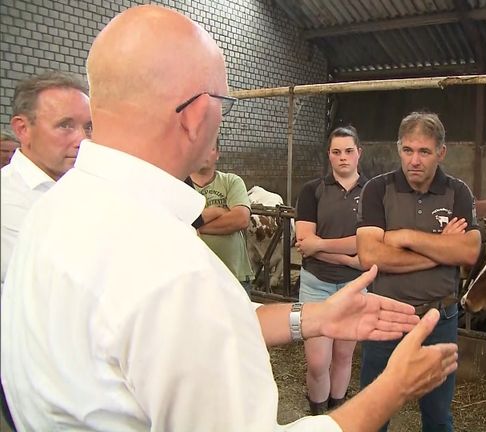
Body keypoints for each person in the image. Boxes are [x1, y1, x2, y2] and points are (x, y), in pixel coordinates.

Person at [0, 6, 458, 431]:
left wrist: (312, 317)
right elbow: (190, 313)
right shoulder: (173, 271)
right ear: (197, 115)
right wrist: (391, 389)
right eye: (224, 101)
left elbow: (193, 327)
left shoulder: (52, 209)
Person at [356, 111, 481, 431]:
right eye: (408, 150)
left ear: (441, 152)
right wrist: (440, 250)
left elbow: (468, 251)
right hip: (385, 317)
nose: (415, 160)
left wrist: (407, 238)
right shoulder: (376, 190)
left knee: (438, 414)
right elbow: (370, 254)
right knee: (374, 408)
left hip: (438, 317)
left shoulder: (458, 192)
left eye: (424, 151)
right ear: (399, 149)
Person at [295, 125, 368, 414]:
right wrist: (351, 258)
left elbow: (367, 243)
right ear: (329, 156)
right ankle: (316, 415)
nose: (343, 157)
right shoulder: (312, 190)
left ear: (359, 153)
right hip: (317, 283)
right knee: (316, 361)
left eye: (349, 151)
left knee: (343, 354)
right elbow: (304, 242)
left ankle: (337, 414)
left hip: (353, 285)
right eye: (336, 152)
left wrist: (321, 246)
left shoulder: (373, 191)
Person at [1, 71, 91, 286]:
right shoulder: (6, 200)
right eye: (65, 125)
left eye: (88, 127)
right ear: (22, 129)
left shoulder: (93, 189)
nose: (83, 140)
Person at [189, 137, 254, 290]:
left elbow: (241, 219)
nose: (204, 152)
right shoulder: (178, 184)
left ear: (218, 153)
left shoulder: (231, 181)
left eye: (210, 148)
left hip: (234, 276)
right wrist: (217, 211)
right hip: (193, 277)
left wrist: (192, 225)